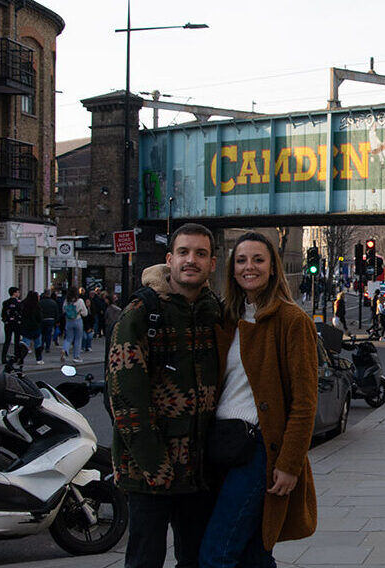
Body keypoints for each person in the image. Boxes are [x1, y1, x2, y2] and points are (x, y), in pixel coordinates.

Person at [107, 223, 224, 568]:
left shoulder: (213, 312)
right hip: (149, 474)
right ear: (169, 259)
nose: (192, 260)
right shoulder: (141, 314)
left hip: (198, 472)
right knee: (145, 560)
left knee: (195, 559)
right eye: (184, 253)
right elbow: (126, 399)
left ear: (212, 264)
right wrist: (154, 465)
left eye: (201, 254)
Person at [202, 230, 317, 567]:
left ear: (272, 267)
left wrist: (289, 464)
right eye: (241, 260)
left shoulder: (292, 321)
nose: (248, 267)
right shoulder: (228, 318)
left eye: (257, 259)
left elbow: (305, 401)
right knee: (254, 552)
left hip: (259, 451)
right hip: (222, 445)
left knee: (216, 553)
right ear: (231, 269)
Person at [60, 288, 88, 364]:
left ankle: (65, 349)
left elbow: (63, 310)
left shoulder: (66, 301)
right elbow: (85, 313)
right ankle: (76, 357)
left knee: (68, 338)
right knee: (78, 339)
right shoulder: (80, 301)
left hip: (68, 321)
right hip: (78, 320)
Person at [19, 291, 44, 364]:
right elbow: (39, 317)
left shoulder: (23, 305)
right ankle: (39, 359)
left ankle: (21, 358)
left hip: (26, 327)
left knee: (25, 344)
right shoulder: (37, 306)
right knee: (38, 344)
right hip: (35, 327)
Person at [1, 286, 23, 363]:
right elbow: (21, 313)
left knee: (7, 340)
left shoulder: (5, 302)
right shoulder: (18, 303)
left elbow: (3, 314)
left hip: (8, 324)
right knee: (17, 341)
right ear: (14, 293)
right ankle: (17, 357)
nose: (19, 293)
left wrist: (5, 320)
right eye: (17, 292)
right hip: (17, 323)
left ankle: (3, 358)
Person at [39, 291, 59, 355]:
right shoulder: (53, 302)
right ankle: (47, 347)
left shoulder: (40, 302)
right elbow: (56, 312)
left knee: (42, 333)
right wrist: (57, 321)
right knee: (49, 334)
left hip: (42, 319)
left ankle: (41, 345)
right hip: (51, 319)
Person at [103, 293, 122, 359]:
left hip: (111, 325)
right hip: (109, 325)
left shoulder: (113, 307)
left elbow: (119, 311)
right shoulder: (109, 307)